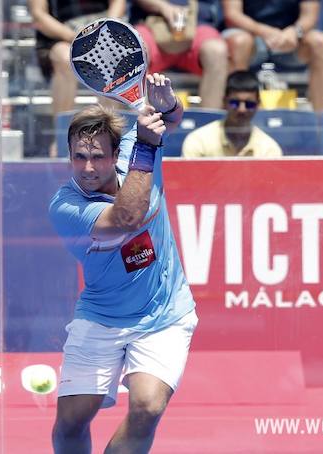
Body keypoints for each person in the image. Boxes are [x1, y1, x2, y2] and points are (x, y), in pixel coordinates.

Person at [48, 73, 198, 454]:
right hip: (101, 317)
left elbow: (171, 117)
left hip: (165, 314)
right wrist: (148, 146)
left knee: (148, 407)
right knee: (71, 423)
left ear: (115, 156)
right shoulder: (66, 207)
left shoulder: (136, 145)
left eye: (97, 156)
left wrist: (168, 102)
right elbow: (126, 218)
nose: (88, 167)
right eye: (79, 157)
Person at [28, 0, 127, 156]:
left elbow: (118, 3)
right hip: (60, 36)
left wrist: (105, 30)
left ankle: (110, 137)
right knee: (66, 59)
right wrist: (77, 37)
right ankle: (63, 139)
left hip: (101, 32)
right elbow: (39, 16)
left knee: (112, 58)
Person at [221, 0, 323, 111]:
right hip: (250, 36)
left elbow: (310, 16)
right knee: (239, 42)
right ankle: (234, 117)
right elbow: (232, 14)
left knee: (320, 42)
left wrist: (294, 32)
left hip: (290, 40)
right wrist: (264, 31)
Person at [129, 0, 228, 108]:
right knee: (134, 49)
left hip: (197, 26)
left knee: (216, 51)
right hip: (149, 24)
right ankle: (141, 118)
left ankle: (210, 118)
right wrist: (162, 7)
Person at [182, 70, 282, 157]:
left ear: (258, 105)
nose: (242, 109)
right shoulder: (198, 142)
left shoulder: (269, 149)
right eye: (235, 103)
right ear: (224, 102)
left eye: (249, 104)